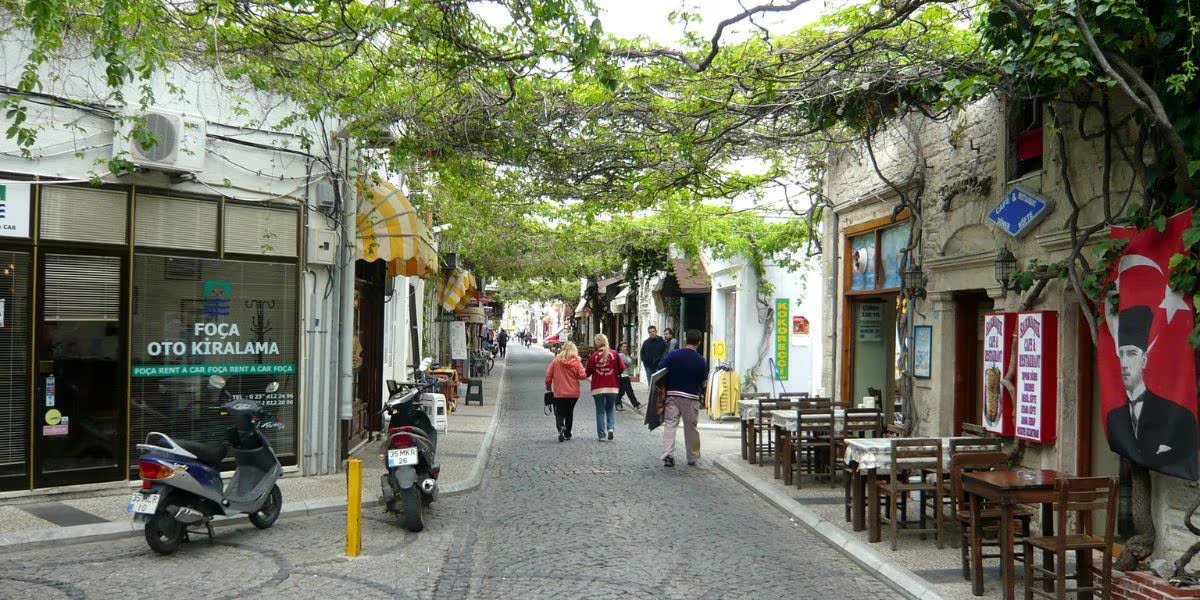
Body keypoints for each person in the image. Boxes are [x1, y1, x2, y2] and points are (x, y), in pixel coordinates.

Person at [1106, 305, 1198, 478]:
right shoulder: (1114, 418)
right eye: (1121, 354)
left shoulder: (1179, 416)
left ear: (1144, 360)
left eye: (1132, 353)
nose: (1124, 363)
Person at [657, 329, 708, 467]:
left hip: (673, 394)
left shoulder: (674, 355)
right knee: (691, 427)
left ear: (686, 340)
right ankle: (692, 456)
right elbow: (702, 380)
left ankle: (668, 454)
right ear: (699, 342)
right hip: (690, 397)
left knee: (670, 424)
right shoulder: (700, 360)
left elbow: (661, 368)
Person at [545, 341, 588, 442]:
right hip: (573, 394)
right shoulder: (576, 362)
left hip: (559, 392)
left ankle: (560, 427)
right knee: (569, 412)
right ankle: (567, 433)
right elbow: (583, 375)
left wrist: (548, 387)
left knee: (559, 412)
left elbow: (548, 375)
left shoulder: (556, 361)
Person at [585, 334, 624, 441]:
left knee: (600, 411)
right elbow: (621, 368)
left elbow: (587, 373)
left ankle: (602, 435)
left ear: (596, 343)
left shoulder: (594, 356)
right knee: (610, 409)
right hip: (612, 387)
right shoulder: (614, 354)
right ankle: (610, 428)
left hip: (598, 388)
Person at [615, 341, 641, 412]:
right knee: (629, 390)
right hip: (623, 374)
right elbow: (629, 362)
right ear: (620, 347)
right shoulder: (622, 355)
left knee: (621, 391)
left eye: (626, 347)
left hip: (621, 374)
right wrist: (627, 355)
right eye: (624, 347)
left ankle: (618, 404)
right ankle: (636, 404)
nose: (625, 348)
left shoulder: (619, 354)